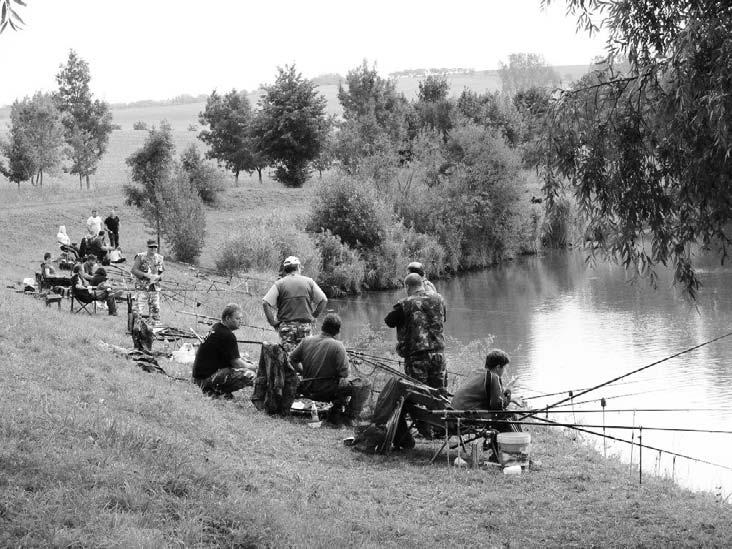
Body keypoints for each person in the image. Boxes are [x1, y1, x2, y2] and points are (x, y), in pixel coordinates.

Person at [289, 313, 371, 427]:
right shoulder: (338, 346)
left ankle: (337, 410)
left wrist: (302, 372)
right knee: (364, 384)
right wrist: (347, 360)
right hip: (326, 392)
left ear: (322, 326)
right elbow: (345, 374)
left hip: (306, 387)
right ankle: (349, 417)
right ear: (338, 331)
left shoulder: (306, 340)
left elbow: (292, 359)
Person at [384, 273, 447, 389]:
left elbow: (389, 321)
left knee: (418, 394)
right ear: (422, 284)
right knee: (440, 395)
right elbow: (444, 319)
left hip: (416, 358)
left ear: (407, 286)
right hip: (439, 355)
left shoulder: (405, 304)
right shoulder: (439, 299)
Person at [262, 256, 327, 352]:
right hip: (305, 327)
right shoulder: (309, 282)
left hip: (286, 328)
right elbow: (323, 300)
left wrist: (273, 322)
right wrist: (313, 316)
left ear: (285, 270)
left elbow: (265, 303)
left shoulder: (279, 284)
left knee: (289, 357)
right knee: (305, 355)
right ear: (298, 267)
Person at [192, 303, 256, 399]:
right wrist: (253, 367)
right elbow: (236, 363)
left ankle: (218, 391)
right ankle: (215, 391)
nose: (240, 321)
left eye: (241, 319)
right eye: (237, 319)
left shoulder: (217, 327)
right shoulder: (228, 335)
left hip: (198, 378)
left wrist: (247, 363)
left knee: (243, 364)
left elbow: (231, 357)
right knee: (251, 374)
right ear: (227, 318)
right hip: (205, 380)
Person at [131, 239, 165, 324]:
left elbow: (163, 273)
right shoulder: (140, 256)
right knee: (137, 310)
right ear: (148, 247)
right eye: (151, 247)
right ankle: (136, 328)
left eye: (155, 247)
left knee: (155, 311)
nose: (153, 249)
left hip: (154, 288)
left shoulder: (160, 258)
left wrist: (158, 277)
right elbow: (134, 270)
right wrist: (145, 275)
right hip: (142, 287)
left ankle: (153, 329)